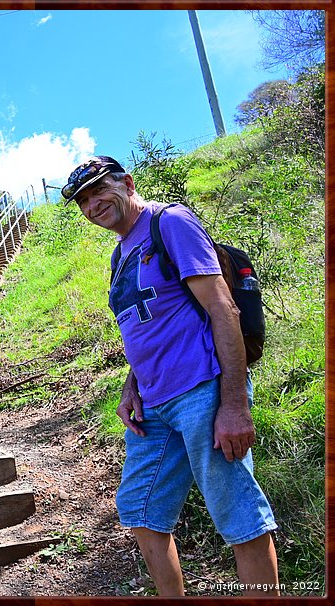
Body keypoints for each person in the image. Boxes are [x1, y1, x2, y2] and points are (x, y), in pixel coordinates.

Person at [62, 156, 279, 596]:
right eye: (83, 200)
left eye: (99, 190)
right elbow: (145, 325)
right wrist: (131, 387)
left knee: (237, 512)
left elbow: (223, 309)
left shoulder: (171, 222)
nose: (92, 204)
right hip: (153, 406)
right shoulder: (119, 254)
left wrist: (234, 404)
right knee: (140, 510)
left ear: (127, 183)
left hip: (203, 389)